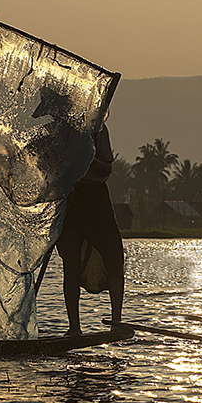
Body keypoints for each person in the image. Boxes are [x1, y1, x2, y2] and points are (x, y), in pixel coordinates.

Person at [56, 124, 125, 336]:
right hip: (70, 196)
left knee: (114, 257)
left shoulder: (98, 128)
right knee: (71, 261)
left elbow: (105, 168)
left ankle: (116, 323)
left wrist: (85, 157)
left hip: (95, 196)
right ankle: (74, 328)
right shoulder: (61, 129)